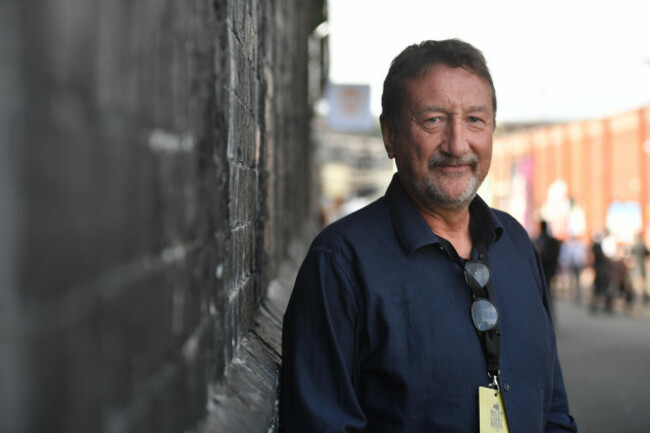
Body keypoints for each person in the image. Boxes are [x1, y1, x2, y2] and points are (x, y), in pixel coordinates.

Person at [280, 39, 577, 432]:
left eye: (475, 119)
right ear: (390, 135)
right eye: (434, 119)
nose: (457, 145)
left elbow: (553, 408)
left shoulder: (516, 244)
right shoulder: (340, 263)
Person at [534, 220, 562, 296]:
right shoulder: (551, 240)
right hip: (549, 266)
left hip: (545, 266)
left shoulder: (540, 240)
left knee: (545, 285)